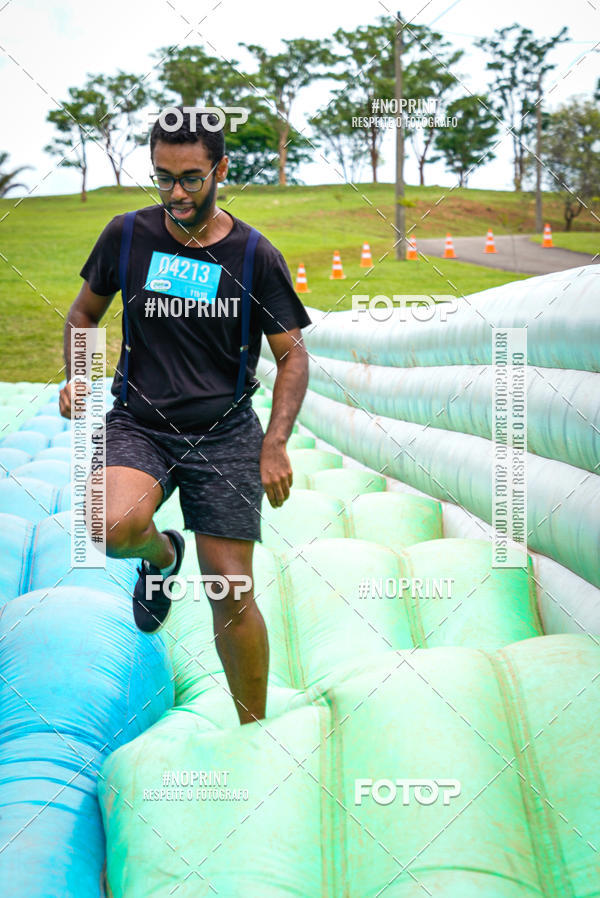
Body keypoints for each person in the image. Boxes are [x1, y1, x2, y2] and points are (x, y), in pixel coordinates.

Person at [59, 107, 311, 724]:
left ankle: (254, 732)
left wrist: (275, 441)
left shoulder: (255, 256)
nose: (176, 192)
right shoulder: (126, 235)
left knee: (230, 590)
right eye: (163, 177)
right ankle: (162, 556)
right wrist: (79, 373)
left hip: (224, 434)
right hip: (140, 422)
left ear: (221, 170)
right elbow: (83, 315)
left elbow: (293, 355)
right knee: (110, 525)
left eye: (191, 178)